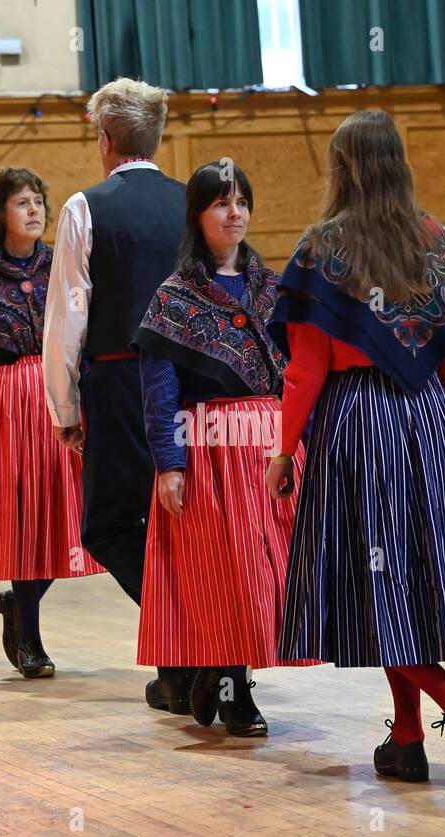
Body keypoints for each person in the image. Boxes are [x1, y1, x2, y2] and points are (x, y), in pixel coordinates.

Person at [266, 110, 445, 785]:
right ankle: (404, 740)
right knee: (408, 583)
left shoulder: (322, 251)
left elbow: (304, 369)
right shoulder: (441, 245)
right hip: (425, 418)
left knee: (373, 587)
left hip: (355, 422)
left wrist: (284, 449)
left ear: (341, 167)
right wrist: (442, 436)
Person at [134, 162, 317, 735]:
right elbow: (158, 389)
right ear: (198, 214)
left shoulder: (271, 285)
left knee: (274, 576)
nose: (234, 213)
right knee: (228, 576)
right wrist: (169, 463)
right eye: (221, 204)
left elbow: (295, 368)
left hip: (270, 447)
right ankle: (236, 691)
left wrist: (299, 439)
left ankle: (216, 671)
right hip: (211, 447)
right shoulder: (175, 297)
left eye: (241, 202)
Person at [41, 78, 193, 711]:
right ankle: (185, 663)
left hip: (121, 381)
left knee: (107, 526)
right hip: (192, 386)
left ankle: (189, 653)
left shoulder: (84, 207)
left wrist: (64, 408)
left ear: (105, 140)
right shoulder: (196, 202)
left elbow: (66, 318)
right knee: (184, 526)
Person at [0, 168, 104, 677]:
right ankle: (29, 636)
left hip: (56, 401)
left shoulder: (59, 264)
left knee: (66, 519)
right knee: (22, 521)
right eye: (22, 203)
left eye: (39, 201)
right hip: (1, 406)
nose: (34, 210)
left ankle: (18, 605)